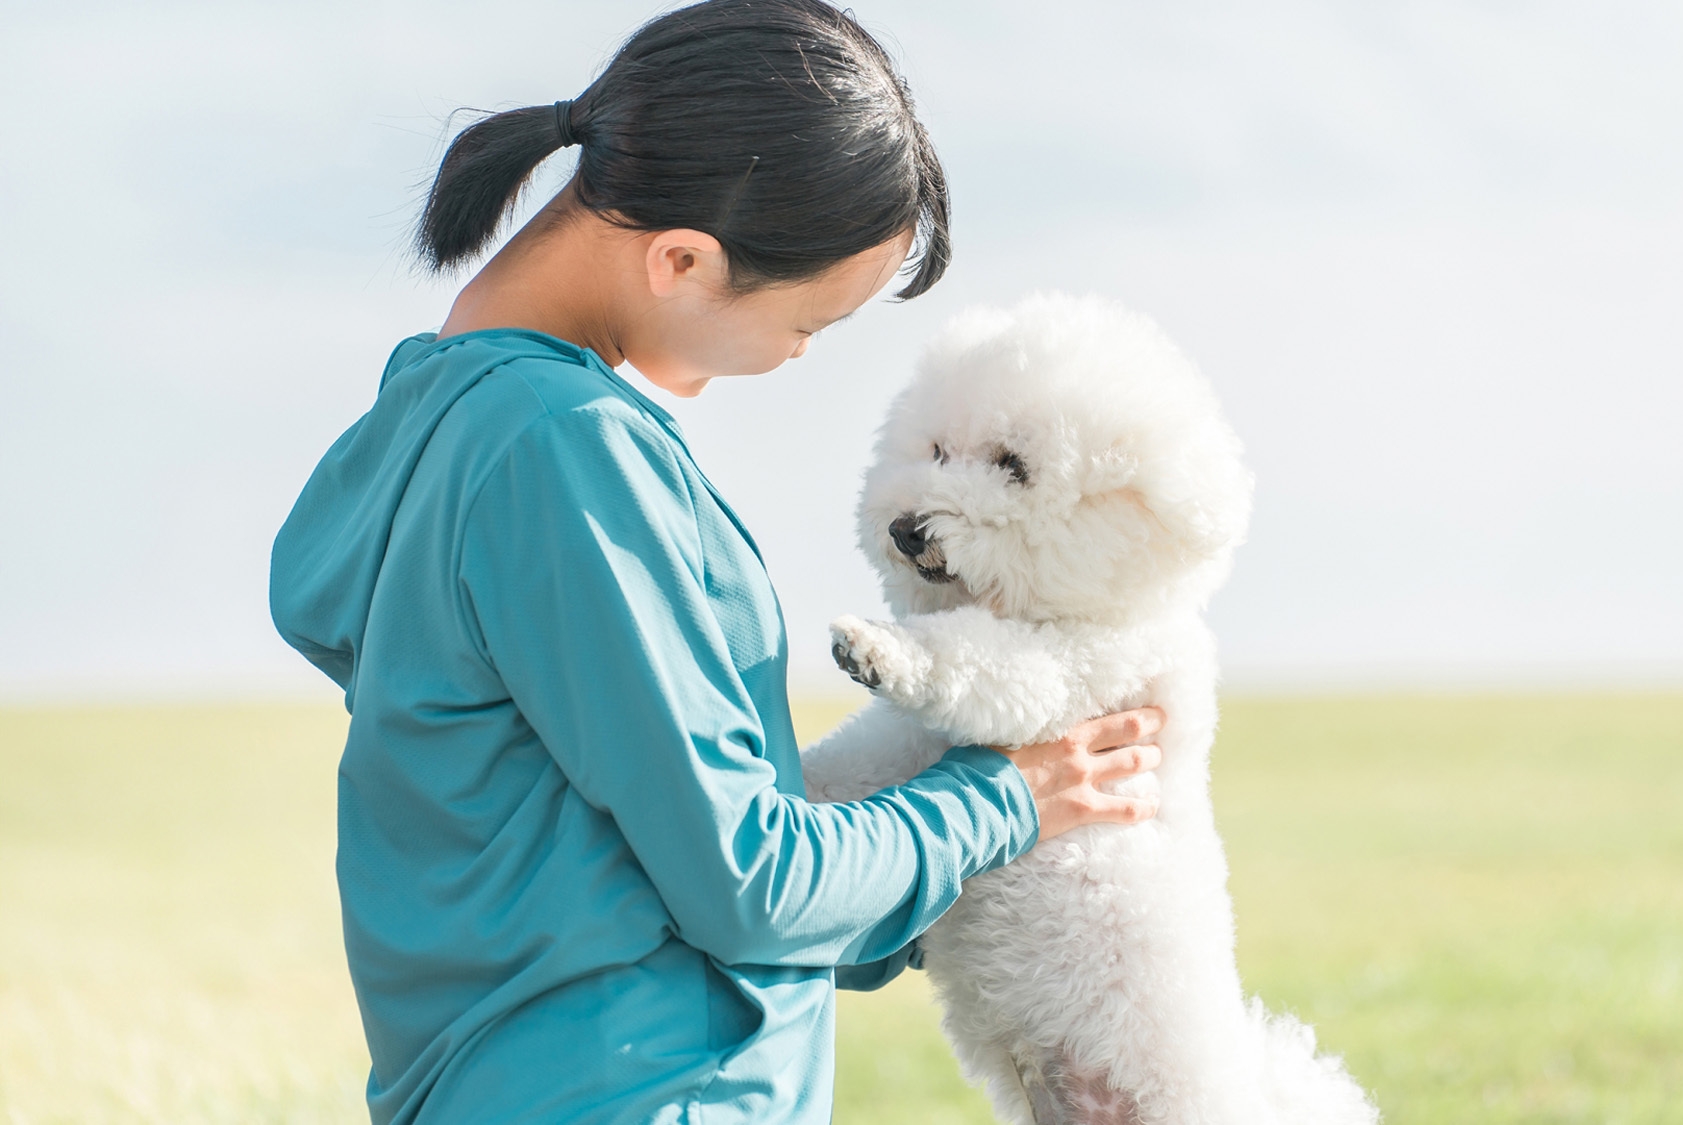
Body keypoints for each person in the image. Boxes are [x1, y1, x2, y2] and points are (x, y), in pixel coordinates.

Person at [267, 2, 1164, 1123]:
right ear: (682, 260)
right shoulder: (563, 450)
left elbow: (630, 876)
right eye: (806, 325)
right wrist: (1010, 797)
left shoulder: (433, 428)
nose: (793, 360)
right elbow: (752, 884)